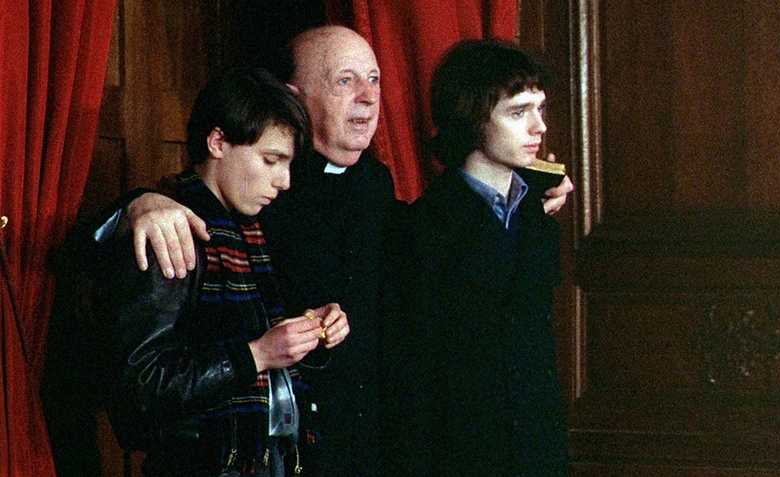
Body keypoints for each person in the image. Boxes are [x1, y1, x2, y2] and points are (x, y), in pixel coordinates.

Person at [86, 26, 574, 476]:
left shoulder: (376, 184)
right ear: (294, 97)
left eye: (374, 80)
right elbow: (123, 255)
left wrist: (531, 188)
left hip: (374, 446)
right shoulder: (248, 189)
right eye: (345, 81)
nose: (369, 97)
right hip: (266, 450)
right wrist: (139, 205)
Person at [89, 66, 350, 477]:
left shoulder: (251, 230)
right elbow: (141, 389)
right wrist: (258, 354)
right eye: (270, 160)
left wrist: (312, 330)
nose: (284, 181)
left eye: (287, 164)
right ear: (217, 142)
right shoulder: (169, 231)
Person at [386, 39, 571, 476]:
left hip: (535, 453)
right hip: (459, 454)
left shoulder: (538, 215)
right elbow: (415, 377)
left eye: (540, 108)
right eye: (518, 112)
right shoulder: (423, 227)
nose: (540, 126)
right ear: (472, 118)